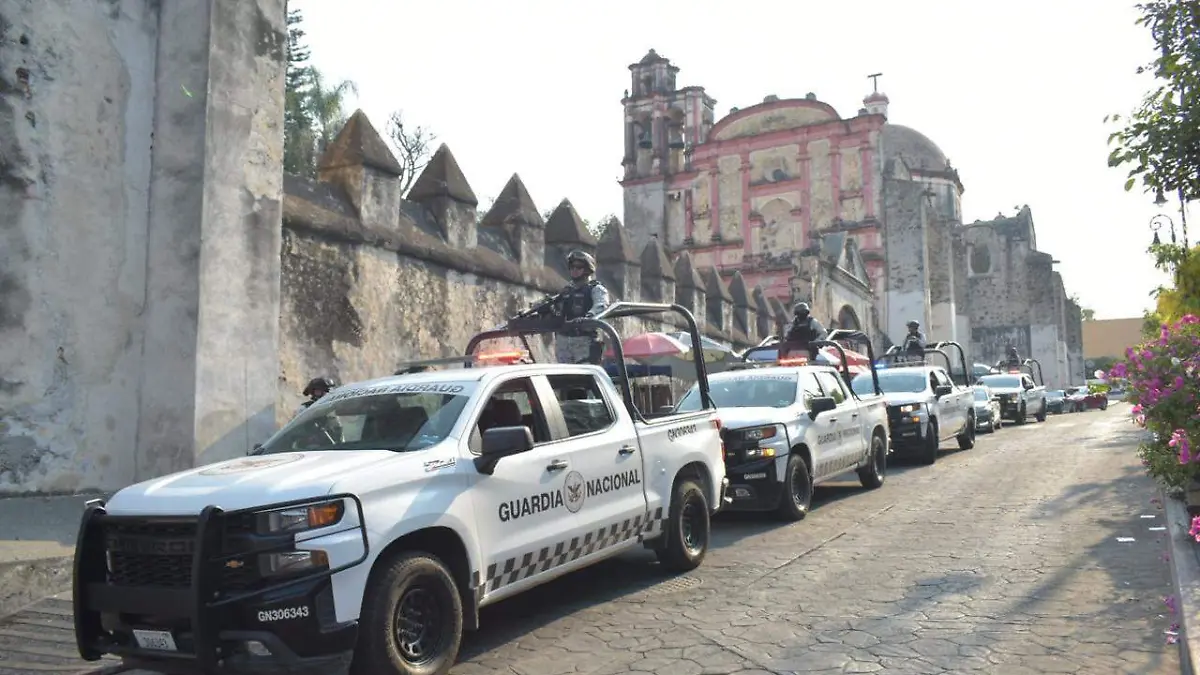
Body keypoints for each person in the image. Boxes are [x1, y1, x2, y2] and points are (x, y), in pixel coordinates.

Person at [554, 250, 610, 365]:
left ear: (587, 270)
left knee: (584, 376)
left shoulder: (596, 289)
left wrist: (589, 316)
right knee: (563, 377)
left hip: (584, 341)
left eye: (578, 267)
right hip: (564, 341)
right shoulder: (566, 291)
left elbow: (601, 305)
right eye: (572, 267)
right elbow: (556, 308)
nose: (574, 270)